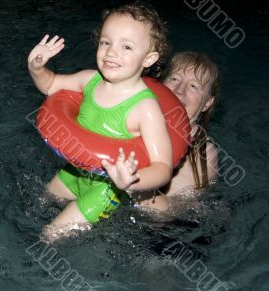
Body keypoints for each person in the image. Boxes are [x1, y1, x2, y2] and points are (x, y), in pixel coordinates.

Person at [28, 2, 172, 242]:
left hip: (107, 189)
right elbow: (50, 85)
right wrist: (36, 66)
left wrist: (131, 181)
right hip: (75, 171)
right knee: (39, 202)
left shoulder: (145, 108)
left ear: (148, 58)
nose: (112, 52)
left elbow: (163, 167)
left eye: (126, 46)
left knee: (49, 236)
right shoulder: (90, 80)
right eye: (106, 42)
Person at [105, 51, 220, 210]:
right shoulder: (133, 117)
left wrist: (132, 183)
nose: (179, 90)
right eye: (174, 79)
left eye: (193, 86)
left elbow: (170, 215)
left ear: (207, 102)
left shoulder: (203, 153)